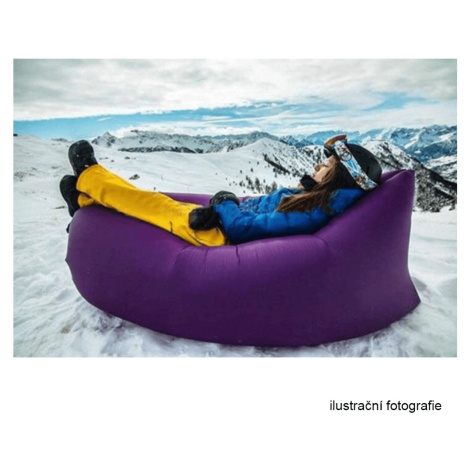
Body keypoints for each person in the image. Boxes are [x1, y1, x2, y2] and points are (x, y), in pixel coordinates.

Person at [60, 134, 382, 246]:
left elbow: (242, 230)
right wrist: (304, 188)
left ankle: (90, 177)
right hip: (220, 222)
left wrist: (226, 202)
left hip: (217, 235)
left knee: (150, 205)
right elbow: (270, 211)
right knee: (153, 205)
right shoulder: (317, 201)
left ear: (338, 178)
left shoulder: (314, 211)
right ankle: (83, 200)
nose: (317, 166)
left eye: (326, 166)